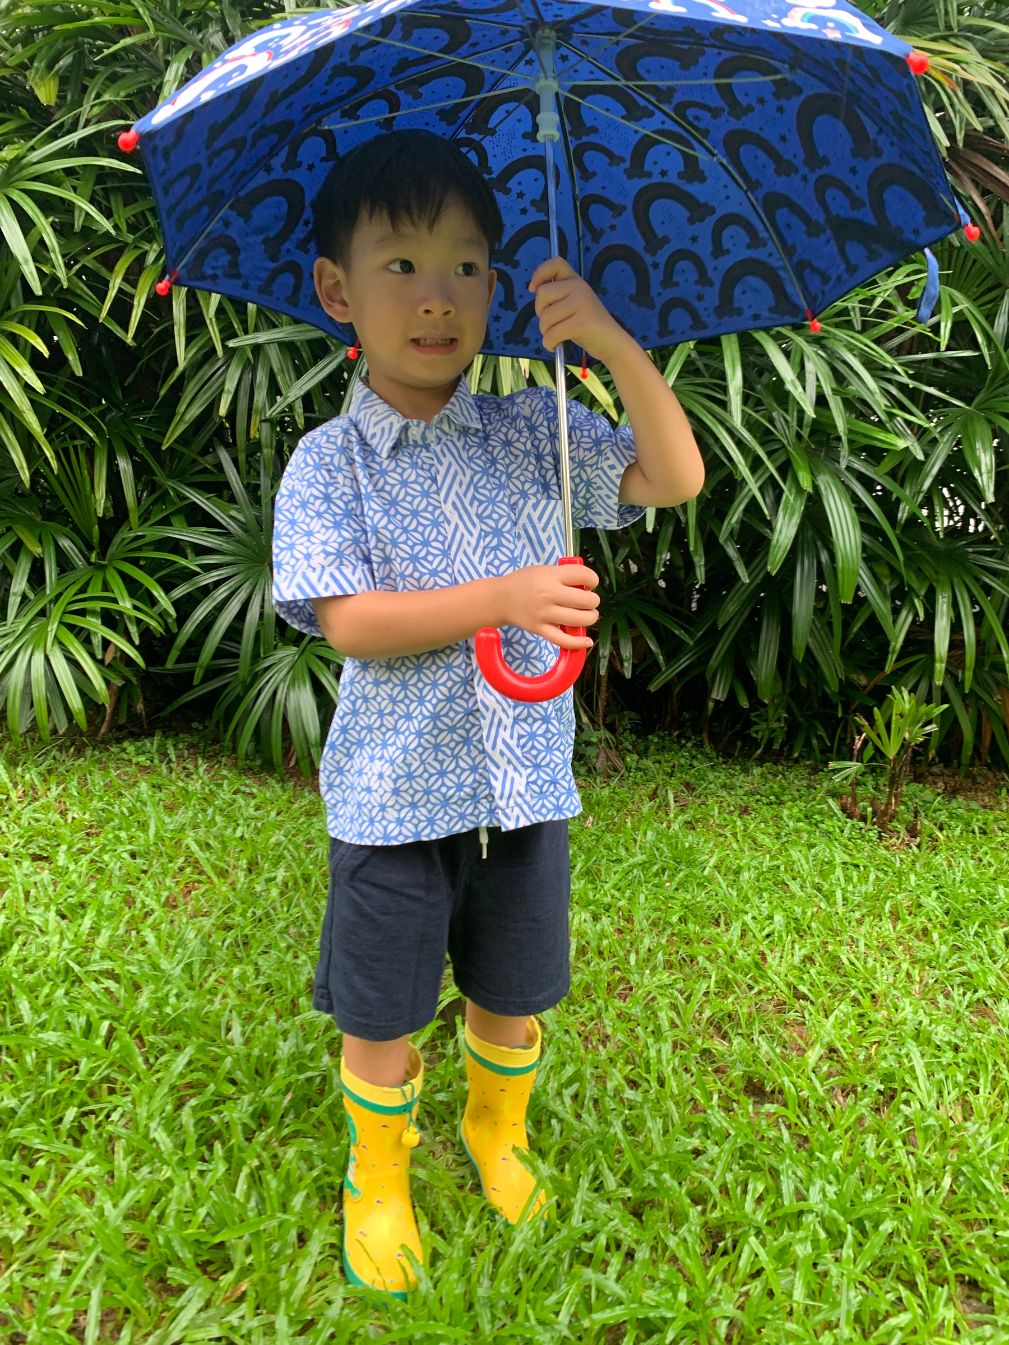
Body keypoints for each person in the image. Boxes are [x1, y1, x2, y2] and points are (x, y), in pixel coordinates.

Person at [270, 129, 704, 1299]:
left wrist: (609, 342)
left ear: (499, 287)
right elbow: (348, 620)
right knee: (384, 1003)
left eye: (467, 265)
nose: (437, 297)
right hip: (395, 790)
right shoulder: (329, 462)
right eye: (401, 266)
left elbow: (671, 476)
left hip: (523, 778)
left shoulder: (534, 431)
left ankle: (495, 1132)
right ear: (336, 289)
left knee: (512, 989)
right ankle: (379, 1171)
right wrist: (507, 595)